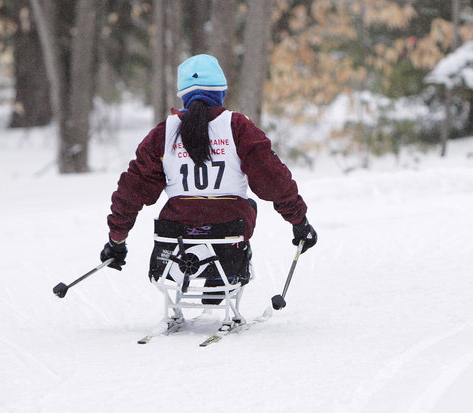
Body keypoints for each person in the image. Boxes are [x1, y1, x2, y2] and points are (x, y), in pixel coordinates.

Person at [100, 54, 316, 280]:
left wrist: (117, 239)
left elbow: (131, 190)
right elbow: (272, 179)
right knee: (248, 205)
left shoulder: (164, 133)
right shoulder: (238, 126)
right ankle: (226, 275)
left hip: (177, 239)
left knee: (181, 213)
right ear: (221, 92)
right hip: (229, 232)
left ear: (183, 95)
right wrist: (299, 221)